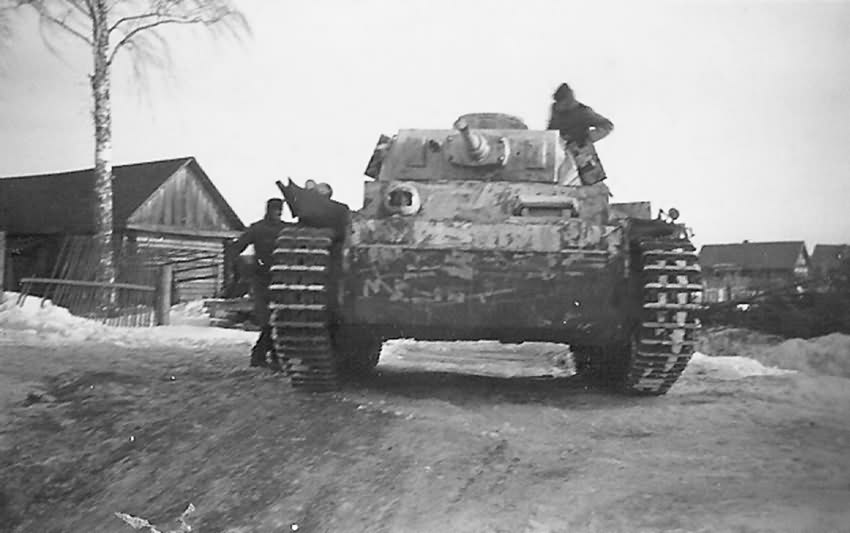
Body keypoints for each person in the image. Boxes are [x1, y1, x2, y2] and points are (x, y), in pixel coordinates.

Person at [230, 198, 288, 371]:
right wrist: (242, 269)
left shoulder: (286, 229)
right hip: (261, 278)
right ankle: (262, 355)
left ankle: (267, 355)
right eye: (275, 210)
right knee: (267, 320)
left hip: (281, 278)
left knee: (279, 319)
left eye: (280, 210)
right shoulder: (257, 229)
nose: (278, 213)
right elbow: (236, 248)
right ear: (268, 210)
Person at [547, 82, 614, 185]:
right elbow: (551, 129)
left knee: (588, 181)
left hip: (580, 150)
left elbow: (607, 125)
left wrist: (588, 137)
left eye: (563, 102)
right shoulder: (555, 109)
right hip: (560, 148)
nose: (561, 105)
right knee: (557, 180)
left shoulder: (583, 112)